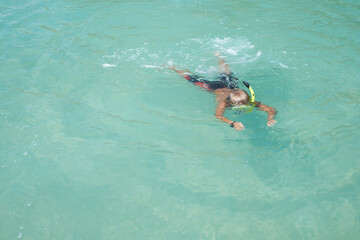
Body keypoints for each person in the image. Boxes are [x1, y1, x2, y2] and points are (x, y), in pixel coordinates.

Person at [165, 53, 277, 131]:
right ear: (232, 103)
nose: (244, 108)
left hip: (231, 86)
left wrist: (270, 118)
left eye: (245, 105)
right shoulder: (224, 103)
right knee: (192, 78)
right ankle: (173, 67)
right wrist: (232, 123)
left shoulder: (250, 102)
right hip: (214, 87)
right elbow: (218, 115)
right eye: (240, 107)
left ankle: (220, 57)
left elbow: (271, 110)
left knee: (227, 74)